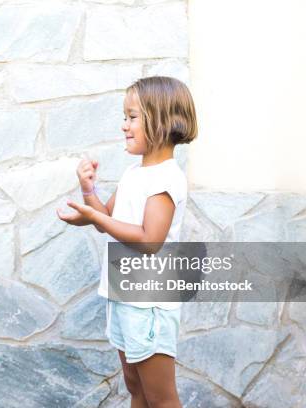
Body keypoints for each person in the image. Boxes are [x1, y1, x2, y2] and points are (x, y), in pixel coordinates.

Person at [57, 76, 198, 408]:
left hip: (148, 302)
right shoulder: (135, 173)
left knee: (161, 398)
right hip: (125, 295)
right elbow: (107, 217)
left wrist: (96, 217)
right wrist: (88, 194)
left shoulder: (166, 178)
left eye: (132, 117)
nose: (124, 126)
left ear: (161, 121)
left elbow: (150, 240)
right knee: (135, 386)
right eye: (125, 117)